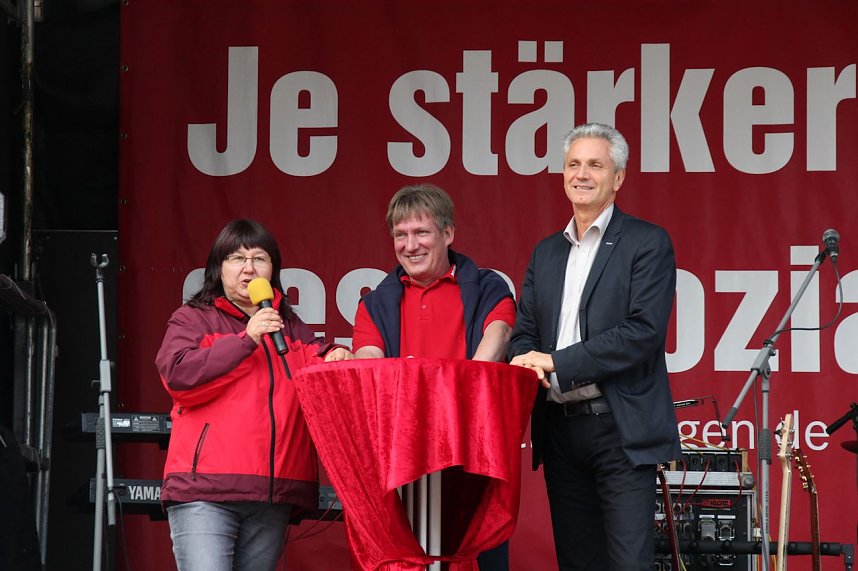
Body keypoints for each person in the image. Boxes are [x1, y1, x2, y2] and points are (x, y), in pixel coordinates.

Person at [509, 123, 681, 570]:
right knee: (578, 562)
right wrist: (524, 361)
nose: (581, 174)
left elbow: (642, 332)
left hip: (619, 431)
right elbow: (524, 332)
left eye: (595, 165)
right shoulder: (546, 253)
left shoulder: (647, 242)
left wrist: (554, 361)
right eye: (573, 164)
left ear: (618, 178)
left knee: (628, 564)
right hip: (561, 430)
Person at [155, 219, 351, 571]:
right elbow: (179, 376)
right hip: (206, 492)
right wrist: (246, 340)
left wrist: (336, 355)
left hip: (270, 495)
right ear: (218, 268)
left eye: (259, 258)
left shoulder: (289, 326)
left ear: (272, 270)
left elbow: (318, 366)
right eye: (236, 258)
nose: (249, 268)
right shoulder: (193, 319)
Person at [352, 184, 516, 570]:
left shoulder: (489, 288)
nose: (411, 245)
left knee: (482, 557)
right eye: (401, 235)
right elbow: (370, 369)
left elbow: (495, 344)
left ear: (448, 234)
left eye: (421, 232)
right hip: (402, 461)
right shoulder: (374, 304)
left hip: (471, 458)